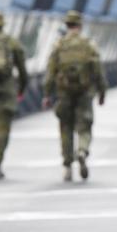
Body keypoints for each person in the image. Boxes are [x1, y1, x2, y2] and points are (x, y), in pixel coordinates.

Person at [43, 10, 107, 182]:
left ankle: (67, 165)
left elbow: (50, 72)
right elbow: (98, 70)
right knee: (84, 126)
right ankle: (82, 151)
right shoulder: (88, 45)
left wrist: (47, 94)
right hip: (85, 92)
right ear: (80, 25)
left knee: (65, 127)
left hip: (64, 93)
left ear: (67, 25)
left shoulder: (59, 45)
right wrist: (102, 91)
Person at [0, 12, 28, 180]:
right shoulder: (11, 43)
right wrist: (22, 89)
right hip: (6, 89)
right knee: (2, 128)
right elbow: (22, 70)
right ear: (3, 25)